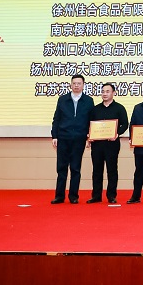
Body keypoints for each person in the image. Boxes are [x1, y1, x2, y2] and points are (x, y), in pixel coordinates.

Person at [51, 74, 94, 204]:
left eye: (79, 83)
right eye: (74, 83)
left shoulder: (88, 101)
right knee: (61, 168)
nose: (76, 85)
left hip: (79, 139)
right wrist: (54, 136)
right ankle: (59, 196)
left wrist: (89, 136)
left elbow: (91, 120)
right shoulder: (63, 99)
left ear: (83, 85)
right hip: (63, 138)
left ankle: (73, 196)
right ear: (71, 84)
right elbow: (56, 119)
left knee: (75, 168)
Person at [86, 83, 128, 204]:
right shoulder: (95, 109)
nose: (105, 94)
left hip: (112, 144)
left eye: (107, 91)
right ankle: (96, 196)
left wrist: (117, 133)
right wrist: (89, 136)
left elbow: (125, 124)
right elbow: (89, 124)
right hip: (97, 144)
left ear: (113, 93)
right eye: (103, 91)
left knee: (112, 170)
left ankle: (111, 196)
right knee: (97, 170)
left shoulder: (119, 108)